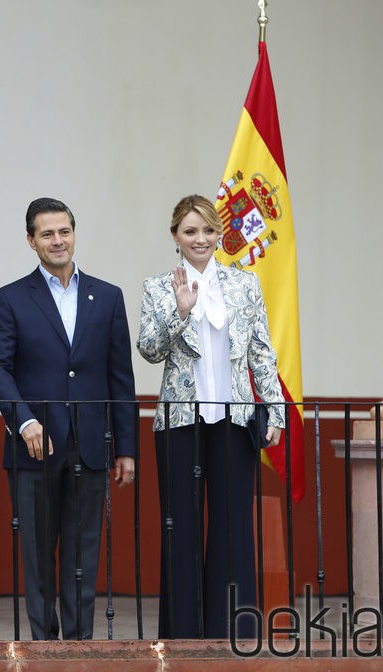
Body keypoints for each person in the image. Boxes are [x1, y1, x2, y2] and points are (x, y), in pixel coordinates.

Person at [0, 197, 136, 640]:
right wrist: (25, 420)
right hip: (34, 445)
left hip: (89, 446)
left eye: (64, 231)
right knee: (37, 555)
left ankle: (80, 645)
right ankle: (44, 646)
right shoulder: (10, 298)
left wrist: (125, 447)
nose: (57, 241)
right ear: (31, 242)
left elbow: (119, 377)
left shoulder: (106, 297)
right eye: (46, 234)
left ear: (74, 233)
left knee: (83, 555)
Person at [136, 194, 285, 639]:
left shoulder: (245, 285)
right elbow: (148, 350)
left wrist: (273, 407)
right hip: (181, 421)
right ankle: (182, 633)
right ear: (175, 237)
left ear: (220, 234)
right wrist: (180, 313)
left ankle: (230, 632)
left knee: (232, 525)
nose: (199, 239)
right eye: (190, 231)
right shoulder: (158, 287)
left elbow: (261, 350)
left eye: (207, 230)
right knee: (180, 525)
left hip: (235, 420)